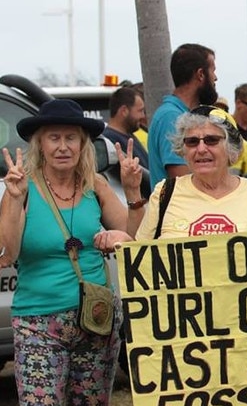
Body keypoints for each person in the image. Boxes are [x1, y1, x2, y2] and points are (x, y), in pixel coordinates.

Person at [0, 99, 144, 405]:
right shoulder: (22, 189)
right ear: (40, 144)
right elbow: (8, 253)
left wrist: (133, 193)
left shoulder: (96, 185)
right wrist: (12, 200)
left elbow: (136, 240)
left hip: (95, 317)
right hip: (38, 321)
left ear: (82, 144)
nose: (62, 146)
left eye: (71, 138)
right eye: (54, 138)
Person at [94, 106, 247, 242]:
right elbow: (141, 254)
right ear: (183, 151)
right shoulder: (164, 194)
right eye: (191, 141)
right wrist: (123, 241)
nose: (201, 149)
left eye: (211, 140)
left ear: (231, 150)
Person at [148, 43, 218, 189]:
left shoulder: (179, 114)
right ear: (200, 74)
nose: (215, 78)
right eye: (213, 70)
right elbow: (182, 179)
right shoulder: (171, 117)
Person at [103, 86, 149, 169]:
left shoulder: (129, 136)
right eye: (140, 111)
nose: (143, 116)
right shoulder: (110, 140)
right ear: (124, 111)